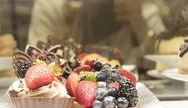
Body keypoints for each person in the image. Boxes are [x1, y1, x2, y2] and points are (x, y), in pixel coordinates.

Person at [27, 0, 166, 64]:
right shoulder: (52, 6)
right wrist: (75, 21)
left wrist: (139, 23)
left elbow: (164, 62)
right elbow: (37, 61)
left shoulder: (138, 6)